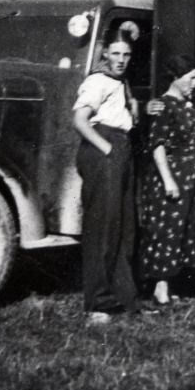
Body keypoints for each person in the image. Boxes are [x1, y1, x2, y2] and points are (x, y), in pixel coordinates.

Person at [72, 27, 140, 323]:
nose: (121, 59)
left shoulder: (120, 82)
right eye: (115, 53)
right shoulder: (97, 80)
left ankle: (123, 297)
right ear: (104, 54)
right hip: (105, 151)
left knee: (124, 226)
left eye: (126, 54)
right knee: (103, 227)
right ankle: (97, 303)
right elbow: (79, 120)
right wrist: (107, 150)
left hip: (120, 149)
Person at [137, 55, 195, 305]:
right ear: (177, 79)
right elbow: (157, 144)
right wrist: (168, 180)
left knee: (181, 231)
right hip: (172, 177)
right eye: (192, 78)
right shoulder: (163, 106)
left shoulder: (188, 105)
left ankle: (170, 284)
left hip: (189, 178)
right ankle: (160, 288)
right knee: (165, 230)